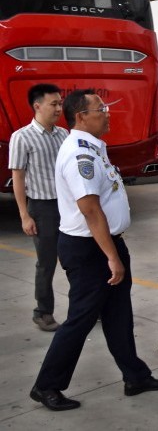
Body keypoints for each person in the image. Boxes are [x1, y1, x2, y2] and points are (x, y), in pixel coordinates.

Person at [30, 89, 158, 411]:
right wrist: (111, 257)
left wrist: (114, 250)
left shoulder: (94, 149)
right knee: (81, 318)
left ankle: (135, 376)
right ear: (81, 116)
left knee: (118, 314)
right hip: (89, 250)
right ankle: (46, 385)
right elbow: (90, 209)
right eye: (101, 108)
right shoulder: (78, 154)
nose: (107, 113)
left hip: (105, 244)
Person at [9, 84, 69, 332]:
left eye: (60, 103)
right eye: (53, 104)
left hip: (68, 206)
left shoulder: (64, 134)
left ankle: (85, 307)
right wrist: (25, 215)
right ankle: (42, 311)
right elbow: (18, 177)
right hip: (42, 208)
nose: (59, 108)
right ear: (37, 106)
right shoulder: (22, 137)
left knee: (77, 258)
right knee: (46, 262)